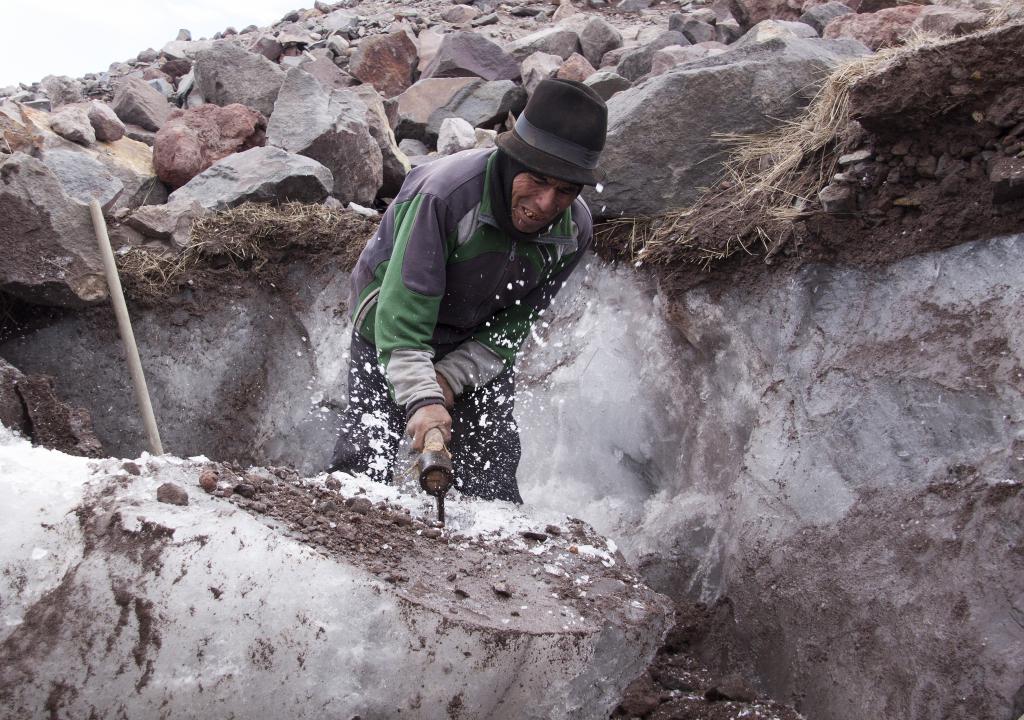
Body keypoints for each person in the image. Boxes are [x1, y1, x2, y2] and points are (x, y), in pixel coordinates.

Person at [329, 78, 607, 503]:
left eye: (566, 190)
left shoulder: (575, 231)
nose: (547, 203)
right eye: (537, 180)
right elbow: (402, 317)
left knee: (493, 463)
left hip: (472, 333)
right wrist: (423, 397)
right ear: (513, 160)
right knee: (368, 454)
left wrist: (451, 377)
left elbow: (514, 325)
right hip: (388, 318)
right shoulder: (445, 196)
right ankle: (340, 533)